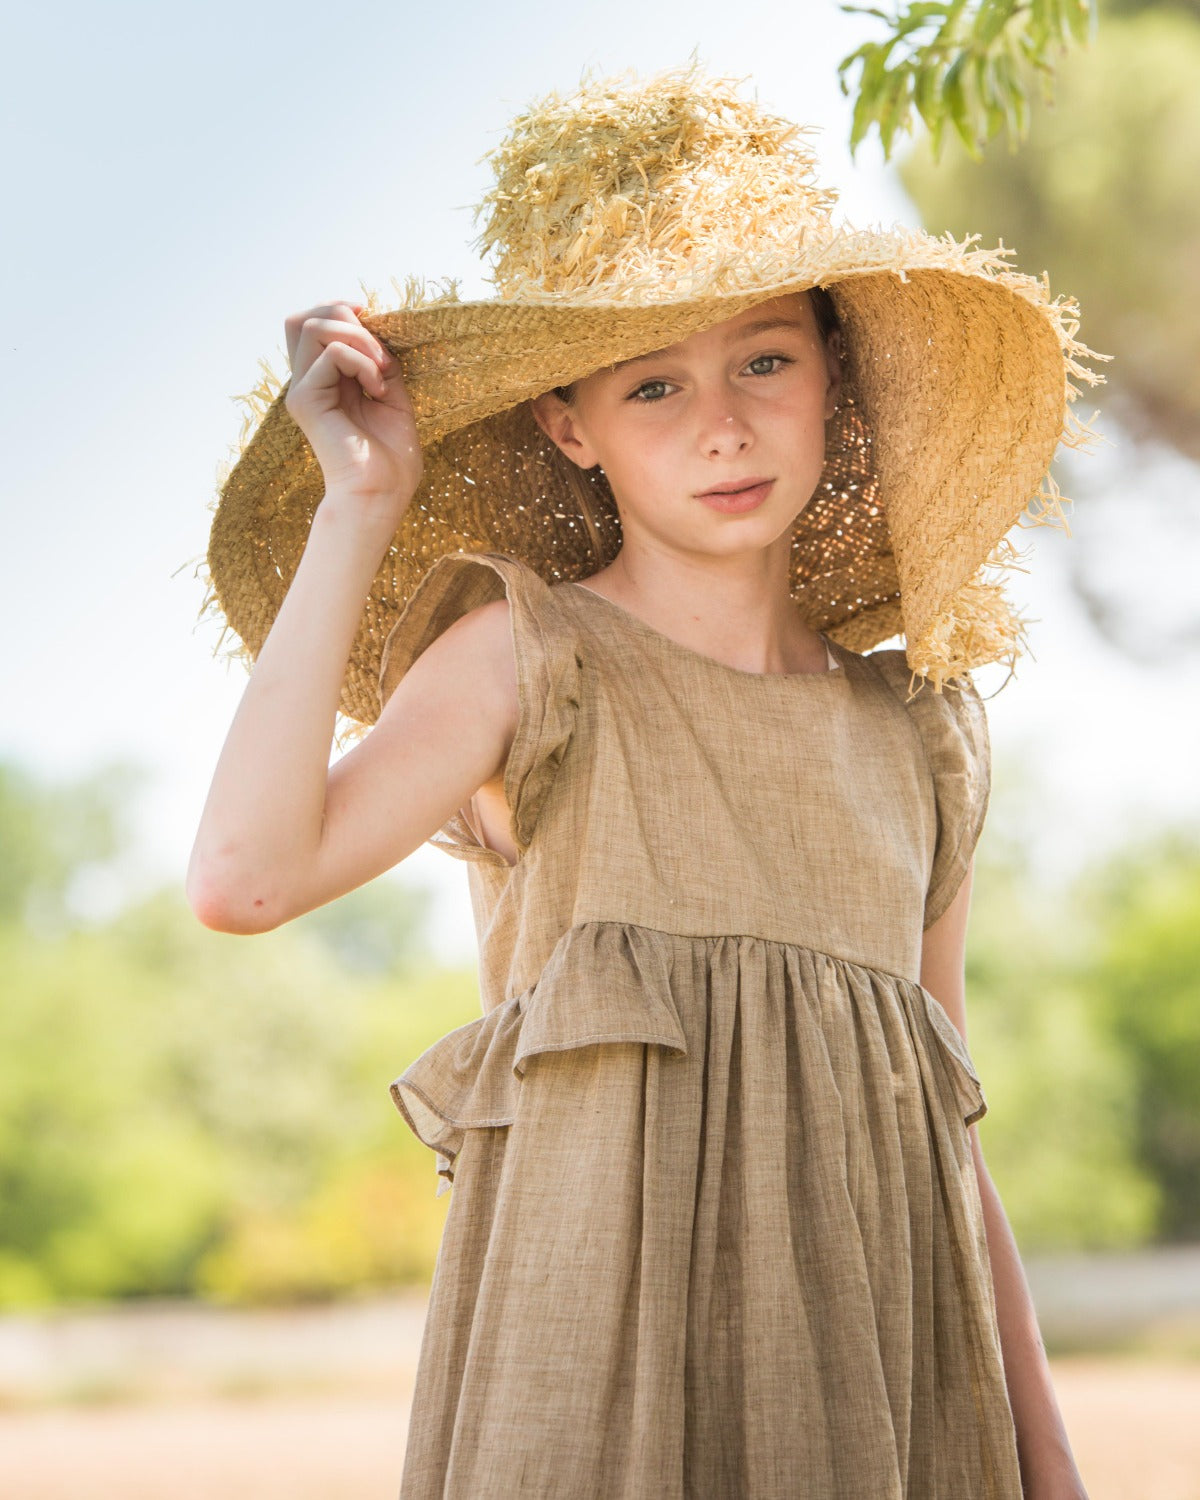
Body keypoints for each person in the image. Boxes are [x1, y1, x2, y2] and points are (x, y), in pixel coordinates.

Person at [190, 64, 1099, 1499]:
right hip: (595, 1390)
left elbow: (945, 1126)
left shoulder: (919, 731)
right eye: (653, 385)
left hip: (874, 1384)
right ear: (571, 426)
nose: (721, 425)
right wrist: (359, 503)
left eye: (765, 361)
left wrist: (1047, 1458)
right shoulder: (528, 658)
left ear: (833, 374)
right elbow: (243, 881)